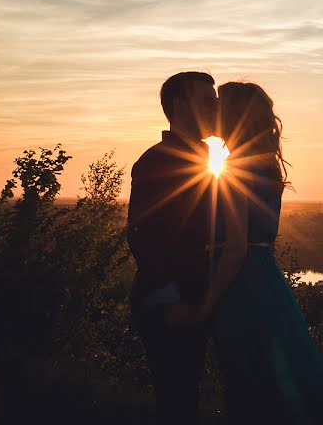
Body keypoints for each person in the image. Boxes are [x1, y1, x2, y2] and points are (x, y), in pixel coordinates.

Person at [199, 81, 323, 424]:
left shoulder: (235, 169)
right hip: (265, 278)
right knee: (278, 376)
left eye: (220, 105)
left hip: (242, 286)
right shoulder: (264, 165)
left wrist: (205, 304)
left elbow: (235, 247)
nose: (213, 110)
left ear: (235, 116)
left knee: (249, 379)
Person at [126, 71, 220, 424]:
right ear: (179, 104)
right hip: (170, 305)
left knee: (185, 397)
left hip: (192, 299)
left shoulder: (202, 158)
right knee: (176, 400)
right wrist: (172, 298)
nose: (216, 109)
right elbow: (142, 233)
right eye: (208, 102)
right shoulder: (157, 160)